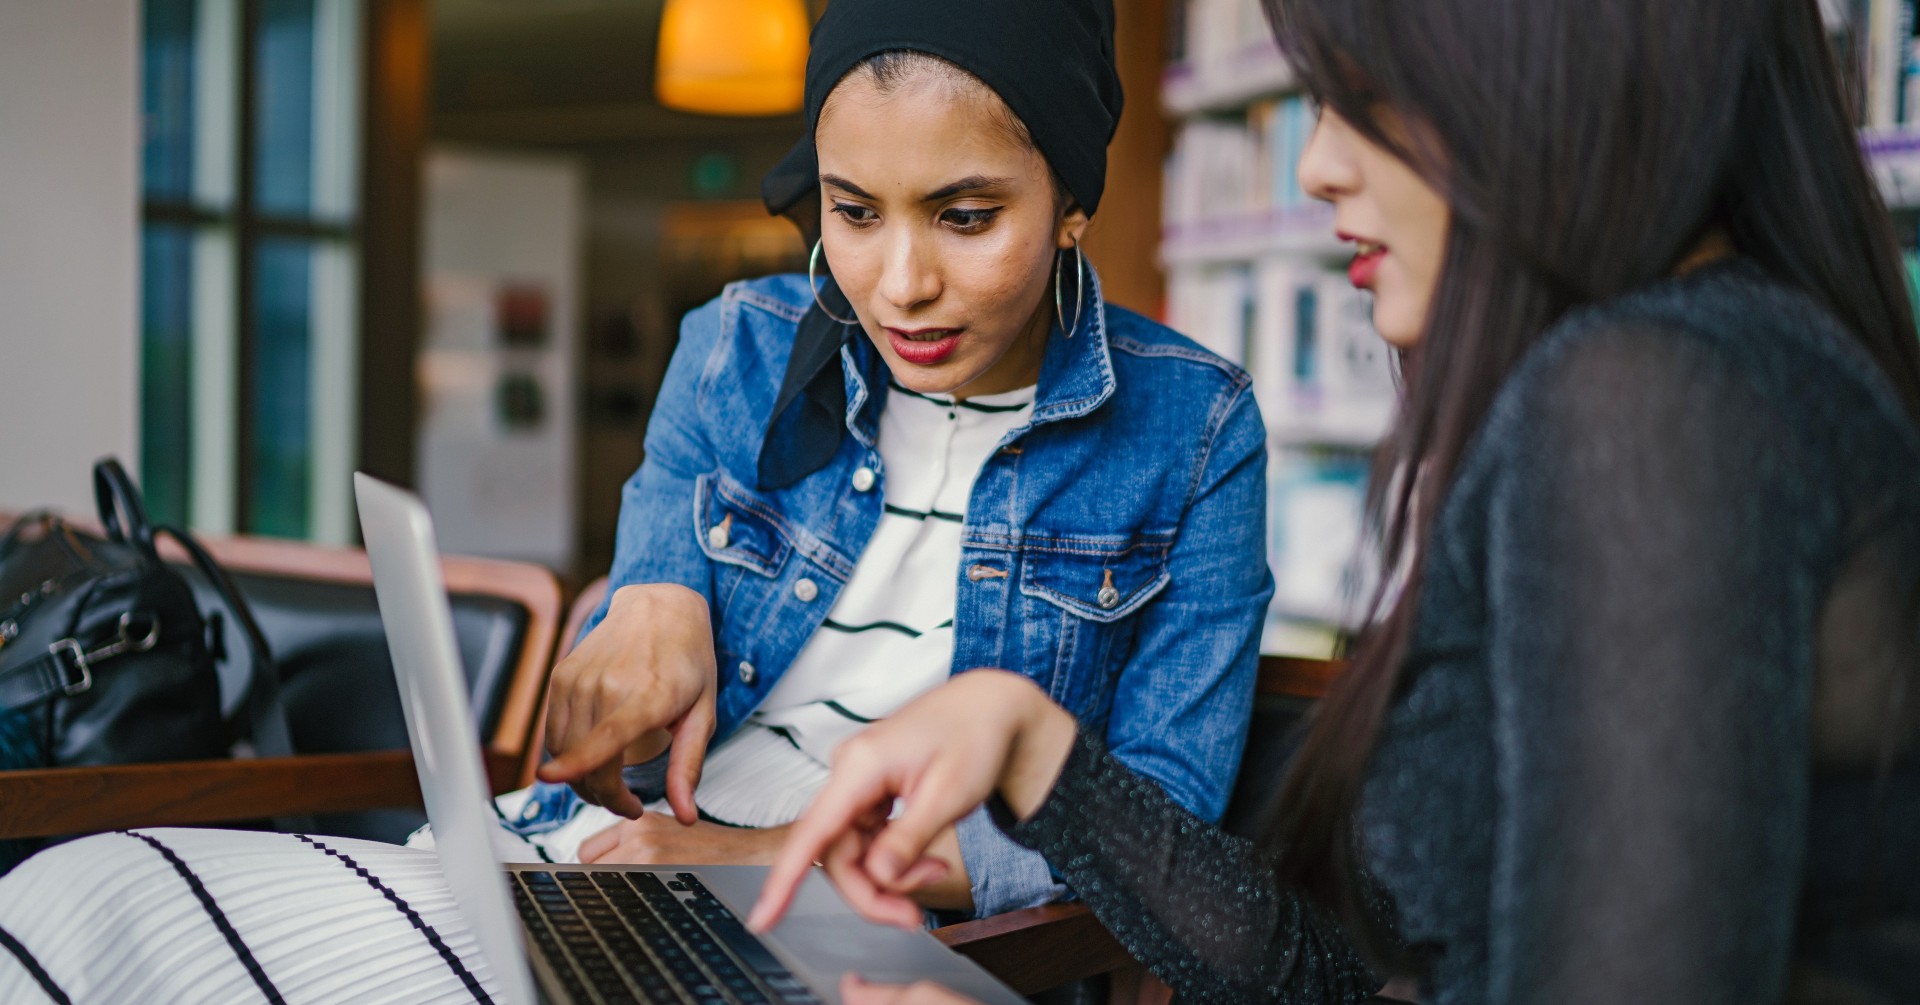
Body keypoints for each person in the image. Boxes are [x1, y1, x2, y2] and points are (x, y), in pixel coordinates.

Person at [0, 1, 1276, 1000]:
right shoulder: (741, 339)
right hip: (588, 860)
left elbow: (1149, 839)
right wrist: (645, 595)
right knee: (80, 897)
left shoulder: (1194, 429)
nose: (898, 283)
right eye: (850, 211)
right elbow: (647, 604)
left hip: (852, 937)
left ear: (1073, 204)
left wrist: (779, 863)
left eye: (964, 215)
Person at [750, 0, 1920, 1002]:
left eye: (1364, 94)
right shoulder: (1706, 371)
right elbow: (1337, 978)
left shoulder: (1654, 400)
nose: (1317, 166)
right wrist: (1035, 748)